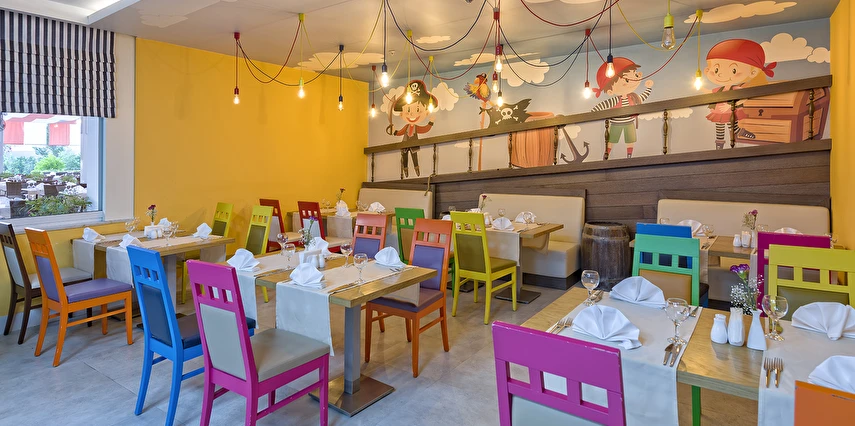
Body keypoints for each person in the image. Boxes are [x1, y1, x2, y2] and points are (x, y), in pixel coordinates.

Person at [704, 39, 776, 149]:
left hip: (729, 111)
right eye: (716, 70)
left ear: (753, 72)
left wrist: (730, 106)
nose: (721, 74)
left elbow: (744, 98)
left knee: (733, 127)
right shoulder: (719, 89)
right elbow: (709, 92)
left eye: (733, 70)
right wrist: (699, 87)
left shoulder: (736, 88)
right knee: (719, 130)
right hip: (718, 112)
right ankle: (719, 147)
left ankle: (741, 132)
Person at [590, 57, 653, 159]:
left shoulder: (633, 98)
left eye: (636, 75)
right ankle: (606, 156)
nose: (634, 80)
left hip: (630, 123)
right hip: (616, 124)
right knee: (611, 140)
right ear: (610, 91)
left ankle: (629, 156)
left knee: (630, 140)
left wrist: (648, 88)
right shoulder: (615, 100)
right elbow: (601, 106)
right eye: (627, 80)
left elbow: (642, 97)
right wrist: (591, 114)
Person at [386, 80, 437, 178]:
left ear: (426, 112)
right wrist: (394, 131)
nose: (412, 114)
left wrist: (431, 122)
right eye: (408, 110)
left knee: (414, 158)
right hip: (405, 144)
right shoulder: (406, 126)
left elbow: (424, 129)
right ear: (402, 114)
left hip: (413, 144)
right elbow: (400, 132)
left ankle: (416, 169)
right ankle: (405, 170)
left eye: (417, 109)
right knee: (404, 158)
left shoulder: (416, 127)